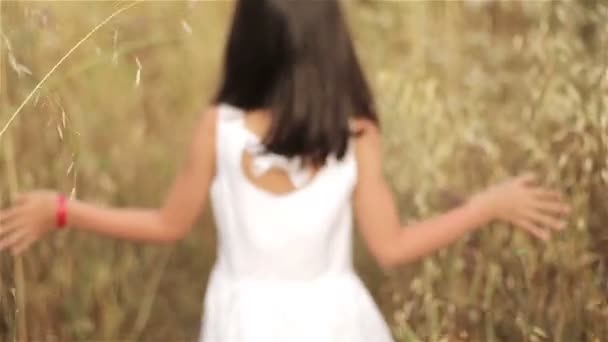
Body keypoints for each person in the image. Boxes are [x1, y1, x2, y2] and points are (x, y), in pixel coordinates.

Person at [0, 1, 570, 341]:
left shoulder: (218, 128)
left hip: (243, 323)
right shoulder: (358, 137)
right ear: (332, 48)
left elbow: (169, 223)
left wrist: (62, 210)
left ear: (247, 43)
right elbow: (392, 247)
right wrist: (486, 205)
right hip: (336, 322)